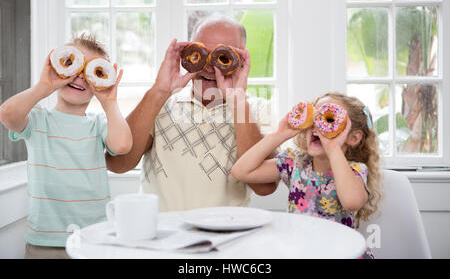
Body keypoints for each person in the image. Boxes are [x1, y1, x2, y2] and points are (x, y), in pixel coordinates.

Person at [106, 16, 278, 211]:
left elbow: (265, 186)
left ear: (241, 61)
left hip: (225, 233)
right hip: (162, 232)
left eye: (223, 57)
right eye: (202, 53)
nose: (211, 67)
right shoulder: (160, 103)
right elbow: (119, 164)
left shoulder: (258, 111)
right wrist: (159, 91)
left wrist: (238, 103)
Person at [0, 34, 133, 259]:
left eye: (91, 73)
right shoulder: (38, 121)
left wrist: (109, 102)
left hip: (94, 239)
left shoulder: (98, 124)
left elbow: (122, 145)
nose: (80, 77)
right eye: (72, 66)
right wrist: (44, 86)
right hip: (44, 241)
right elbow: (7, 114)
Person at [231, 92, 382, 259]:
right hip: (304, 253)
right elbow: (241, 171)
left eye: (329, 120)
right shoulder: (295, 164)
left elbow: (352, 201)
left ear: (353, 137)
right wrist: (279, 134)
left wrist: (333, 147)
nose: (318, 126)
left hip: (343, 253)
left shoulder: (354, 170)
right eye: (314, 118)